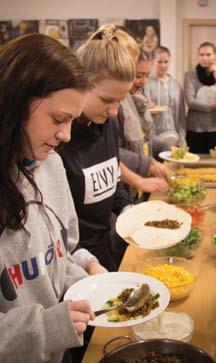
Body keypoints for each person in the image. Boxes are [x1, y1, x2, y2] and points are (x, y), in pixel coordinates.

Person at [0, 33, 108, 363]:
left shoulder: (51, 165)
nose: (66, 136)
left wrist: (86, 280)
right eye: (59, 119)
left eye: (72, 121)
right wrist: (46, 328)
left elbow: (59, 255)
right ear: (14, 105)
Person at [59, 24, 135, 272]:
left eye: (121, 101)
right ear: (81, 84)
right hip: (75, 262)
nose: (114, 111)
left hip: (107, 247)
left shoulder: (108, 123)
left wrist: (128, 209)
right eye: (107, 100)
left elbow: (113, 181)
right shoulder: (59, 139)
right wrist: (87, 264)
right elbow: (57, 226)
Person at [119, 50, 168, 190]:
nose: (144, 81)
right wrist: (146, 165)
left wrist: (168, 149)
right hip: (126, 182)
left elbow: (148, 138)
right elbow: (113, 152)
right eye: (139, 76)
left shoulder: (143, 99)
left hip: (143, 179)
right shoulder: (118, 105)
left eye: (147, 75)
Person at [184, 42, 216, 154]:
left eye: (208, 54)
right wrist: (213, 107)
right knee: (194, 164)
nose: (204, 58)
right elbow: (191, 102)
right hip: (195, 129)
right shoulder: (190, 75)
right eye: (201, 54)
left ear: (215, 55)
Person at [148, 46, 186, 147]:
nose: (163, 65)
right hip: (153, 140)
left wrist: (182, 137)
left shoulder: (176, 85)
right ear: (152, 62)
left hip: (174, 139)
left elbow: (181, 114)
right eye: (159, 62)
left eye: (166, 62)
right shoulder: (145, 84)